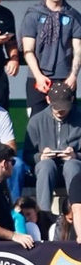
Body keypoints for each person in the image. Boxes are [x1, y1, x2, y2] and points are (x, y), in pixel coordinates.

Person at [20, 0, 81, 115]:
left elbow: (78, 50)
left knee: (68, 121)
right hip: (38, 78)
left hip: (65, 78)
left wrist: (73, 76)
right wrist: (38, 76)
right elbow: (28, 50)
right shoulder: (33, 15)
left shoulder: (73, 16)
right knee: (37, 120)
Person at [26, 81, 81, 212]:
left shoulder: (79, 118)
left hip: (73, 167)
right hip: (47, 169)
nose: (60, 111)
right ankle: (44, 214)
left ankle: (76, 212)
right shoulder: (36, 121)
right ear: (48, 100)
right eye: (57, 107)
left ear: (72, 100)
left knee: (72, 165)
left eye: (64, 107)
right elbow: (27, 155)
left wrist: (75, 155)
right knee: (46, 166)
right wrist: (41, 157)